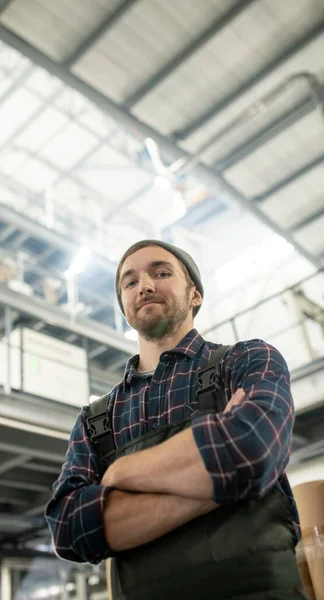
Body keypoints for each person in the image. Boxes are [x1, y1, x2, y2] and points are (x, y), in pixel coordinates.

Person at [45, 239, 306, 600]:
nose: (145, 286)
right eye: (129, 281)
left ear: (195, 295)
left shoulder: (246, 360)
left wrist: (121, 475)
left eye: (161, 273)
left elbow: (253, 450)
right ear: (123, 304)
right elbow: (69, 528)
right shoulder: (96, 419)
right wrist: (224, 479)